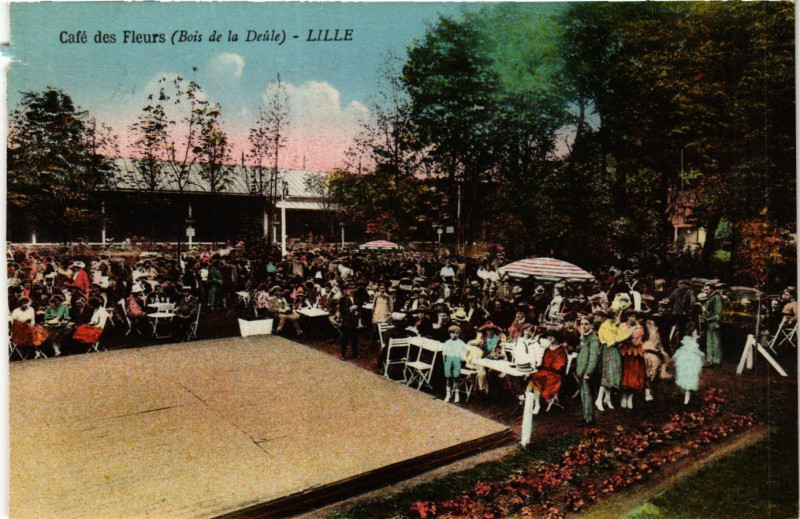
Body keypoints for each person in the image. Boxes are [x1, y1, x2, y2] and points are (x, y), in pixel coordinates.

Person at [575, 316, 601, 426]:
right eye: (582, 324)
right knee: (583, 394)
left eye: (586, 324)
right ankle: (586, 416)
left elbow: (593, 358)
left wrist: (588, 372)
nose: (583, 326)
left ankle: (589, 419)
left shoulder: (593, 339)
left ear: (591, 325)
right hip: (581, 371)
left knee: (588, 395)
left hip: (587, 373)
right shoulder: (584, 338)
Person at [672, 321, 705, 405]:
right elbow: (695, 349)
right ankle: (687, 396)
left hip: (685, 358)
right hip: (691, 359)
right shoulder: (692, 342)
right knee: (689, 377)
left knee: (686, 376)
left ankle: (687, 395)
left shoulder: (685, 339)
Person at [619, 310, 645, 409]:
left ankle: (630, 398)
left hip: (634, 353)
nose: (632, 318)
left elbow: (636, 343)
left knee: (634, 374)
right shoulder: (623, 326)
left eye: (634, 316)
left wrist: (629, 337)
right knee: (624, 374)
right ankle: (623, 397)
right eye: (630, 316)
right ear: (627, 317)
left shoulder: (639, 328)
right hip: (625, 352)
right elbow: (620, 338)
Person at [642, 318, 670, 402]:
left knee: (654, 375)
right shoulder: (644, 332)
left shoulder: (656, 334)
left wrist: (663, 354)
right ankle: (647, 393)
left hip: (655, 356)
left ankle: (653, 393)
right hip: (646, 354)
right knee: (648, 375)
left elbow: (659, 345)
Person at [442, 325, 467, 403]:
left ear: (458, 334)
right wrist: (445, 362)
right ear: (450, 334)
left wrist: (462, 359)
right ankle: (448, 395)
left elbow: (464, 352)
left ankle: (457, 395)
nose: (454, 335)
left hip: (456, 360)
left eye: (456, 333)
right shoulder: (447, 342)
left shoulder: (461, 343)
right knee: (448, 378)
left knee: (456, 378)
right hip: (448, 360)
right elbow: (444, 354)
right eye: (452, 333)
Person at [702, 283, 724, 367]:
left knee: (715, 341)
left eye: (707, 289)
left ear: (712, 289)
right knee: (711, 341)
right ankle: (712, 360)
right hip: (710, 322)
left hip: (714, 322)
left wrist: (708, 318)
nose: (705, 291)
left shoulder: (716, 297)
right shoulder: (711, 298)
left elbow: (718, 313)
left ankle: (715, 360)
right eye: (704, 289)